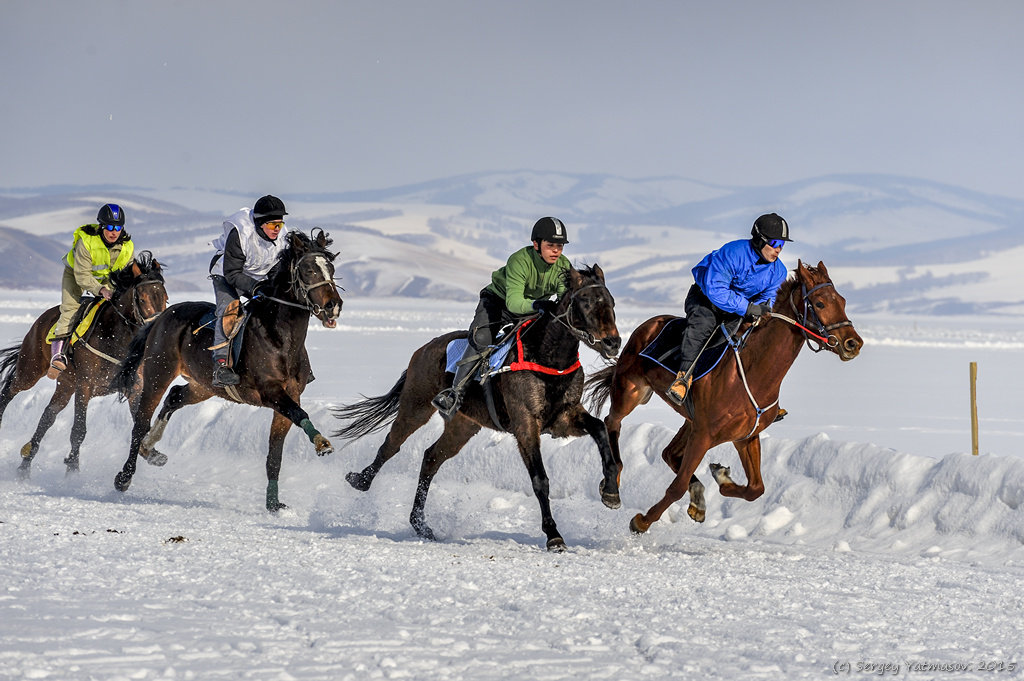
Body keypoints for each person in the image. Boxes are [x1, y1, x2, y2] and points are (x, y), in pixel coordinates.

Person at [431, 216, 572, 419]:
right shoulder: (519, 260)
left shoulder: (563, 266)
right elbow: (514, 303)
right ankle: (455, 394)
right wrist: (537, 305)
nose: (556, 251)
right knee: (482, 338)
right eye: (551, 245)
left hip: (533, 309)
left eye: (560, 246)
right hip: (499, 302)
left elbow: (562, 297)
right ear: (536, 244)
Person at [666, 212, 792, 405]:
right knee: (702, 327)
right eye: (775, 243)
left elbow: (768, 298)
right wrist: (748, 307)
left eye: (782, 245)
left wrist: (762, 310)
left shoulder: (779, 271)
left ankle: (761, 396)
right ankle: (683, 378)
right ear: (760, 240)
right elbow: (716, 290)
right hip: (705, 299)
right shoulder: (733, 253)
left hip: (738, 308)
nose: (779, 250)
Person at [208, 195, 290, 387]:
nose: (277, 229)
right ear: (260, 223)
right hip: (227, 275)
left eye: (279, 224)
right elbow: (232, 273)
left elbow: (277, 266)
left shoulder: (282, 236)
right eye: (272, 225)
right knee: (230, 309)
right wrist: (256, 287)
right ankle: (220, 366)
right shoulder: (241, 233)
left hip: (258, 277)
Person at [48, 203, 135, 378]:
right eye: (110, 227)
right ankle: (58, 355)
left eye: (118, 227)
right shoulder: (86, 242)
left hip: (106, 278)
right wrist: (101, 289)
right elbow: (82, 277)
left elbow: (126, 274)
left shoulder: (127, 246)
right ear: (102, 226)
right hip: (76, 275)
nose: (114, 232)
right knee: (70, 309)